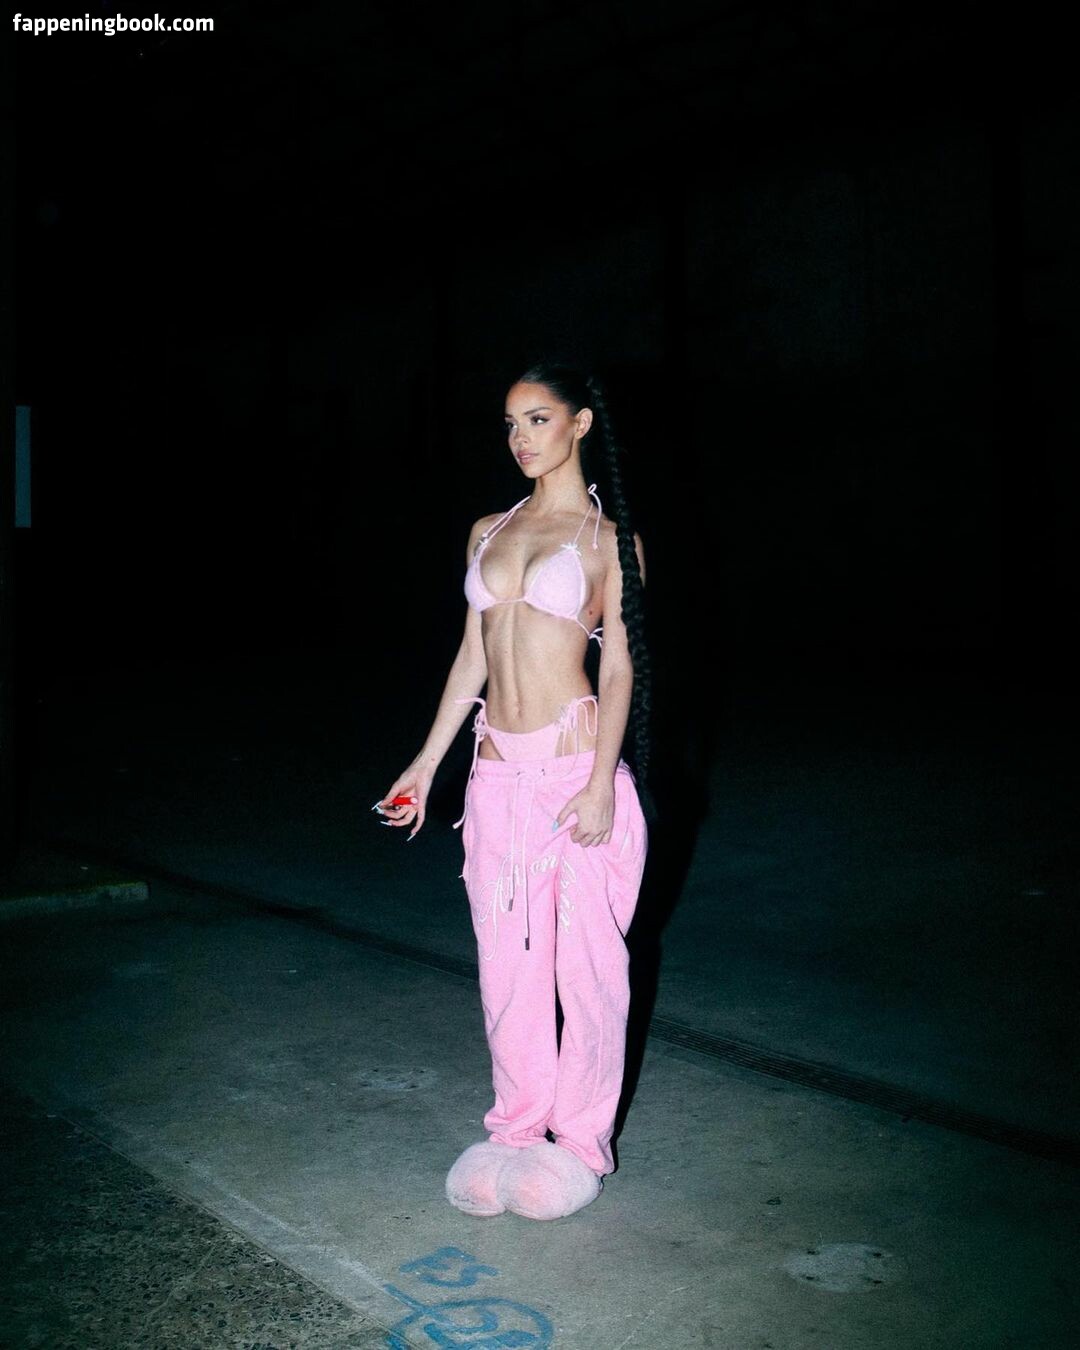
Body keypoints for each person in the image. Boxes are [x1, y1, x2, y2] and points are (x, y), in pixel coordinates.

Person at [376, 362, 653, 1221]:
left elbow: (621, 667)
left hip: (574, 775)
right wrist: (426, 764)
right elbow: (473, 657)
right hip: (496, 776)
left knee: (589, 974)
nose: (520, 438)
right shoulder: (488, 531)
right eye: (509, 423)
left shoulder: (610, 541)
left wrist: (602, 782)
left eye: (537, 419)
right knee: (508, 969)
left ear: (579, 424)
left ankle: (581, 1145)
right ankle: (516, 1128)